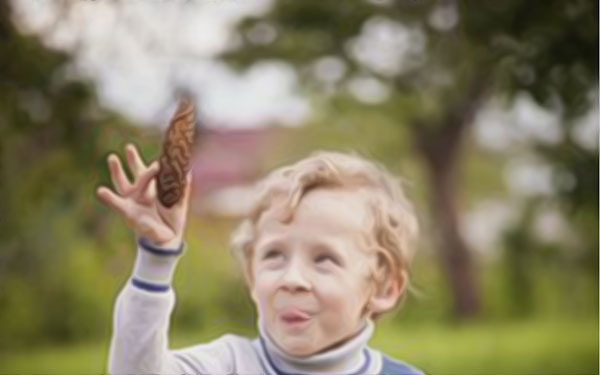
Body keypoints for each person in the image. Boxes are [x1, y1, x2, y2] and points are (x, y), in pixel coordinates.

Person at [97, 143, 424, 375]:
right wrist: (156, 259)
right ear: (252, 277)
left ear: (384, 289)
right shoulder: (227, 366)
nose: (292, 279)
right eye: (274, 256)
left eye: (324, 259)